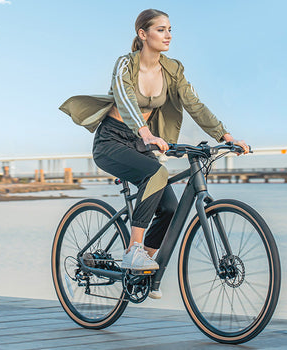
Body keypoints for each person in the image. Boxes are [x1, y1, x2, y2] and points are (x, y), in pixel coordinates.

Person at [60, 9, 248, 299]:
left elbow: (194, 104)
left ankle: (139, 272)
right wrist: (144, 131)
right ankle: (134, 251)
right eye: (161, 29)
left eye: (170, 29)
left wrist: (225, 135)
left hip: (142, 144)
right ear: (143, 34)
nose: (168, 35)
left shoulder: (173, 70)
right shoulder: (126, 64)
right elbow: (123, 97)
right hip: (112, 140)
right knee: (157, 173)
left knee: (170, 210)